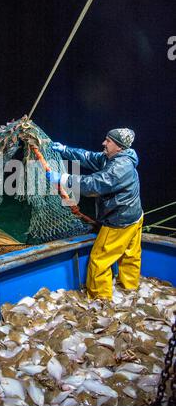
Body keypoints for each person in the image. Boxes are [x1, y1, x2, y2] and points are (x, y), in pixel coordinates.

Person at [47, 128, 143, 300]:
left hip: (118, 221)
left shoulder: (120, 167)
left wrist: (63, 179)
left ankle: (101, 301)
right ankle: (130, 288)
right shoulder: (113, 157)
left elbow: (94, 185)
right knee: (130, 254)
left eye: (108, 141)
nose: (103, 143)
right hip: (134, 216)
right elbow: (88, 157)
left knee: (99, 260)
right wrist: (65, 150)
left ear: (119, 147)